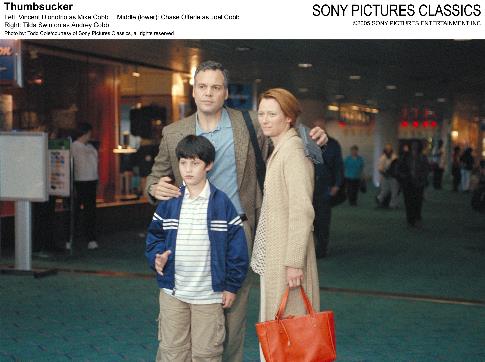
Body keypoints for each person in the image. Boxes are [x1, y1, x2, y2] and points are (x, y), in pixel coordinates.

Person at [145, 60, 327, 362]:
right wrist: (153, 188)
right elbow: (157, 174)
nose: (208, 93)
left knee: (231, 321)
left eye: (215, 87)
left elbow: (285, 122)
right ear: (193, 91)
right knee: (178, 322)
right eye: (202, 87)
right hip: (187, 235)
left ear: (225, 92)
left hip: (235, 232)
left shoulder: (248, 123)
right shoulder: (173, 132)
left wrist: (315, 137)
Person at [145, 135, 248, 362]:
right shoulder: (169, 203)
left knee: (207, 354)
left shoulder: (222, 204)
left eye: (195, 163)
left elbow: (237, 251)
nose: (188, 169)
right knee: (172, 352)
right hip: (173, 293)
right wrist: (156, 258)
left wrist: (231, 286)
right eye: (183, 163)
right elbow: (154, 238)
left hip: (209, 296)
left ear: (208, 165)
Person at [250, 89, 319, 361]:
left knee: (289, 334)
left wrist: (293, 262)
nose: (265, 119)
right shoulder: (281, 148)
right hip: (277, 256)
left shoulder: (294, 152)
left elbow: (302, 210)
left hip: (287, 261)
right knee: (280, 331)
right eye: (262, 113)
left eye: (272, 114)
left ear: (289, 118)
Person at [313, 131, 343, 258]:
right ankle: (312, 247)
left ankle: (321, 249)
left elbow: (338, 166)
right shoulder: (305, 143)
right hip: (309, 189)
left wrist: (337, 184)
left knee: (323, 220)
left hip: (325, 188)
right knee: (310, 221)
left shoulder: (333, 145)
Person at [69, 122, 99, 250]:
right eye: (88, 133)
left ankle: (90, 238)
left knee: (90, 211)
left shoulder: (91, 147)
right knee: (75, 210)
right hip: (79, 181)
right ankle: (71, 238)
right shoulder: (73, 146)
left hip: (91, 181)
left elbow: (95, 164)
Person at [397, 141, 429, 227]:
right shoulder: (405, 156)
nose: (414, 147)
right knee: (408, 202)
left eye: (416, 145)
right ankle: (410, 220)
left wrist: (423, 178)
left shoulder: (422, 157)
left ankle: (417, 218)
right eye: (413, 145)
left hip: (419, 183)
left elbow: (426, 169)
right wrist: (403, 176)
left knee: (418, 202)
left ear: (419, 147)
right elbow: (400, 168)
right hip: (408, 183)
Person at [376, 143, 399, 209]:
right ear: (385, 150)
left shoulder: (395, 157)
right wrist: (386, 175)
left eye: (389, 149)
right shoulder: (382, 158)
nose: (388, 150)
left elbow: (396, 167)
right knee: (384, 191)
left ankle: (393, 205)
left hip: (394, 177)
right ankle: (379, 200)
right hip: (385, 177)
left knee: (394, 191)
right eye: (387, 149)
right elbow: (380, 169)